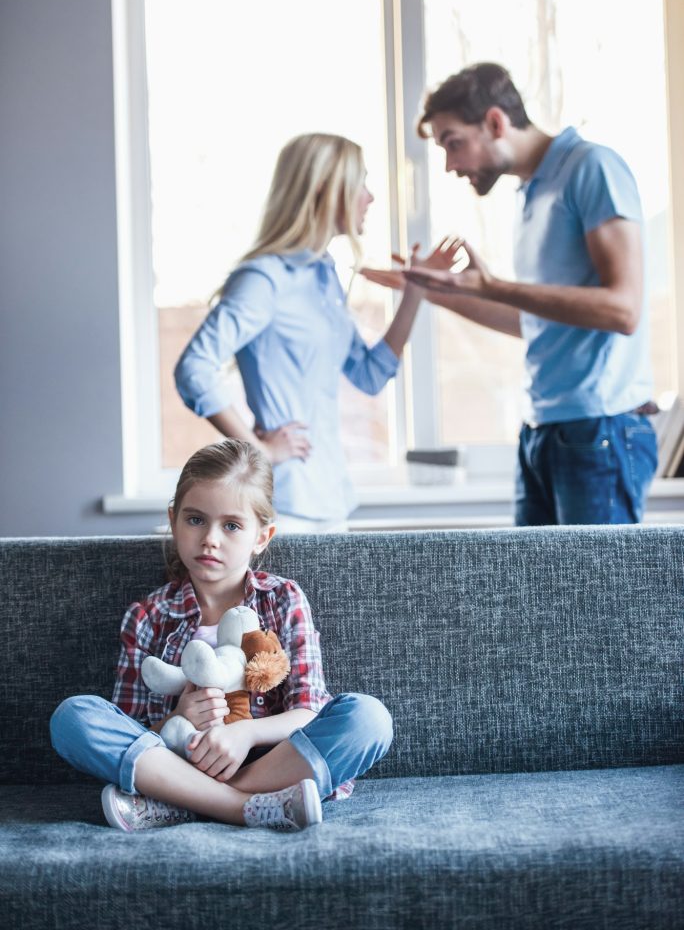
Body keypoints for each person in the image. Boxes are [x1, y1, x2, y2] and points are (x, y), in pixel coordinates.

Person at [364, 62, 657, 525]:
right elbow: (533, 321)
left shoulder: (590, 168)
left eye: (453, 143)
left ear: (496, 122)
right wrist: (431, 290)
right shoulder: (531, 195)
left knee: (595, 599)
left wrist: (496, 286)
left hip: (598, 429)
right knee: (533, 597)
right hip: (543, 431)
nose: (450, 165)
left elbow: (624, 309)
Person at [50, 439, 393, 833]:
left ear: (262, 536)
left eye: (231, 525)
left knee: (369, 719)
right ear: (173, 519)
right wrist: (177, 717)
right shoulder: (148, 616)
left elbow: (308, 709)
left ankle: (182, 805)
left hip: (273, 760)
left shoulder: (283, 599)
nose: (210, 538)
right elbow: (130, 728)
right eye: (195, 519)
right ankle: (241, 807)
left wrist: (245, 733)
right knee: (73, 717)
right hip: (175, 763)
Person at [174, 132, 456, 533]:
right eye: (362, 183)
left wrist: (415, 293)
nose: (370, 197)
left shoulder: (324, 279)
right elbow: (193, 369)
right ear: (326, 188)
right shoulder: (264, 278)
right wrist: (259, 451)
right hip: (283, 507)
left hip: (332, 501)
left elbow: (370, 375)